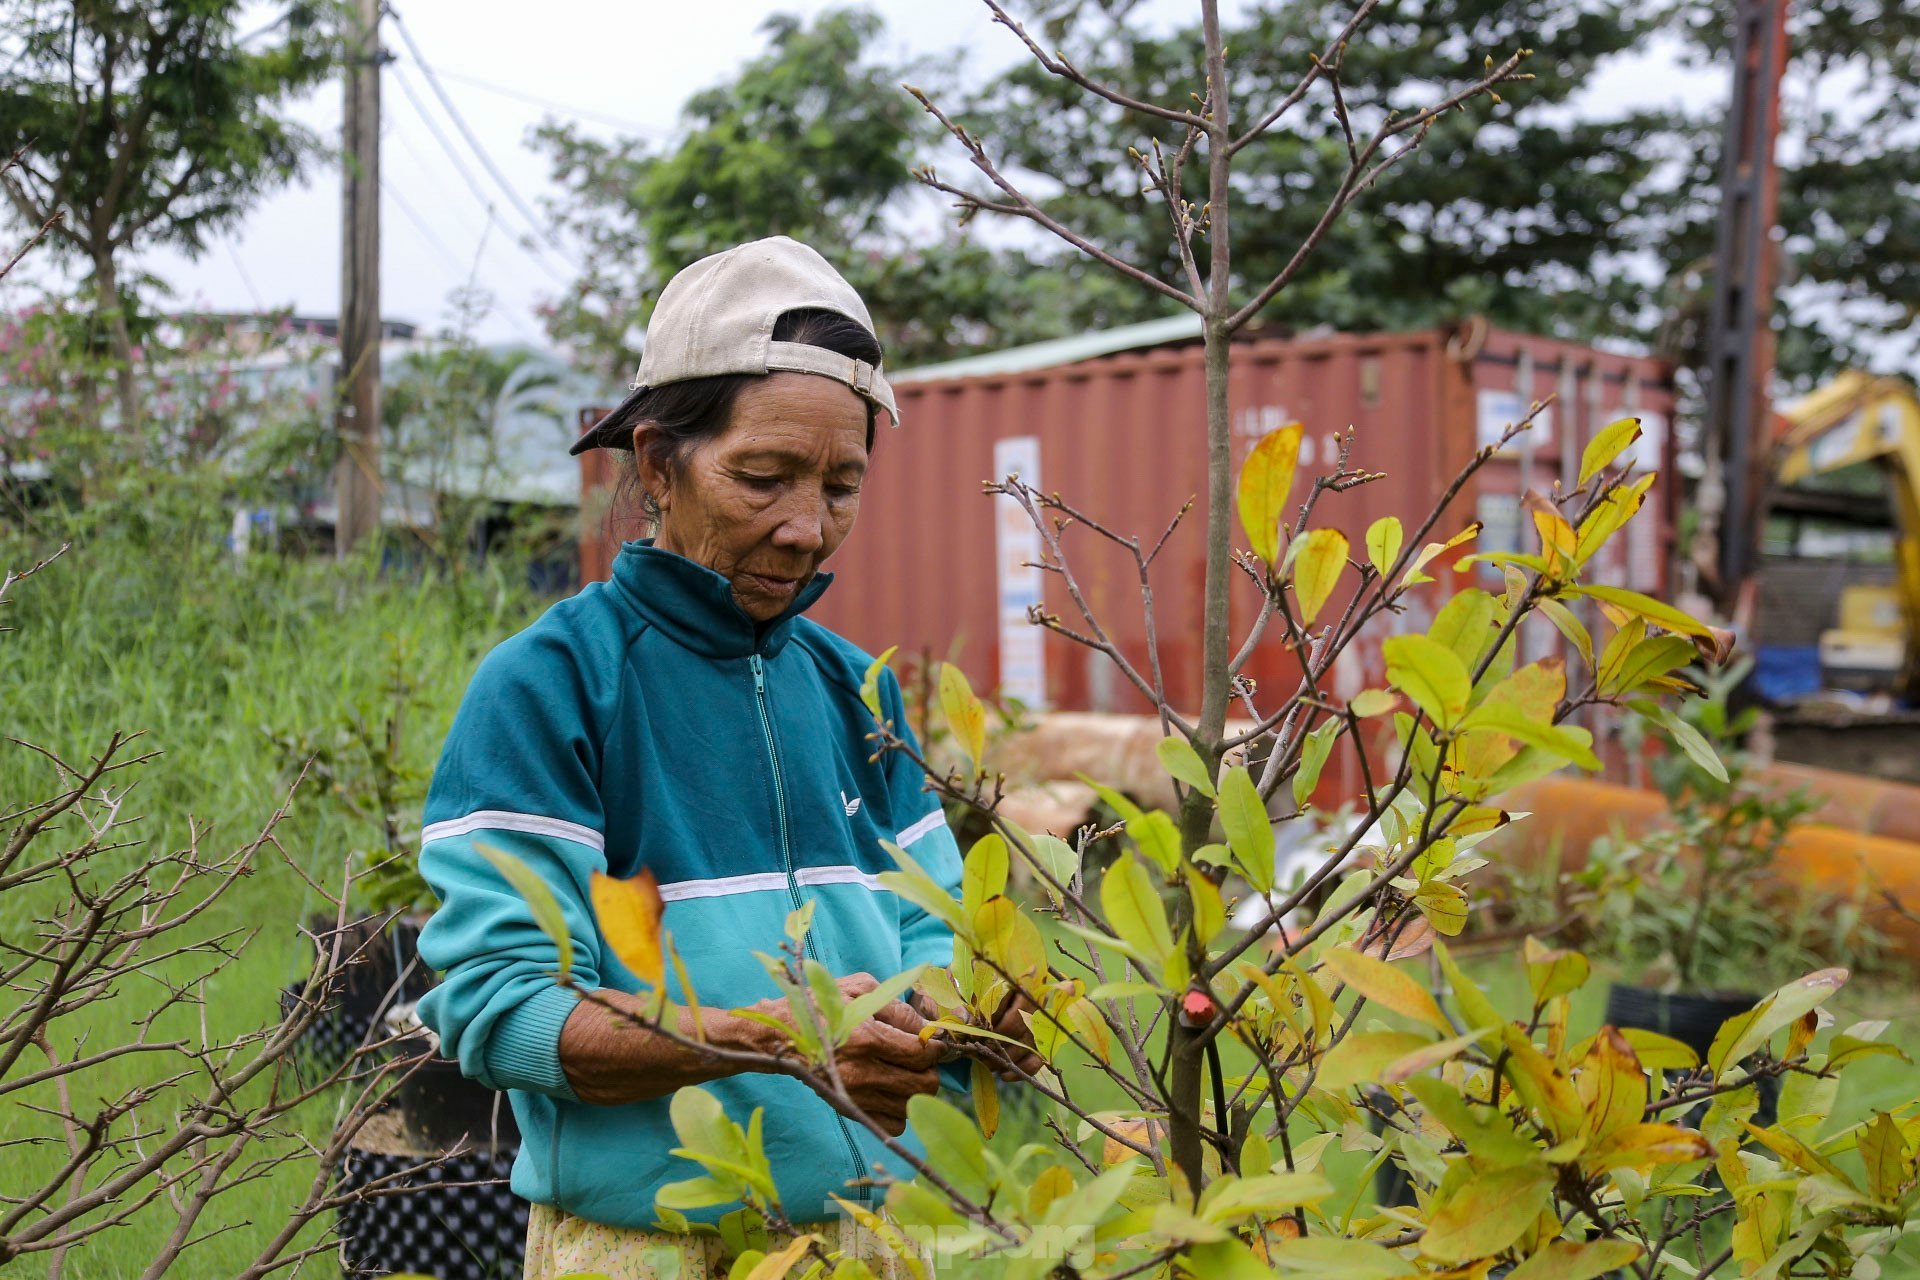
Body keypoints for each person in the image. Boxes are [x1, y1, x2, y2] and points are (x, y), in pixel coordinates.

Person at [414, 237, 1039, 1279]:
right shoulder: (553, 687)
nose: (807, 528)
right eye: (764, 477)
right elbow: (499, 1007)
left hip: (873, 1237)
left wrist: (980, 1019)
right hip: (644, 1246)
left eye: (843, 485)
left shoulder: (858, 692)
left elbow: (941, 944)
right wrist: (779, 1039)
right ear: (659, 463)